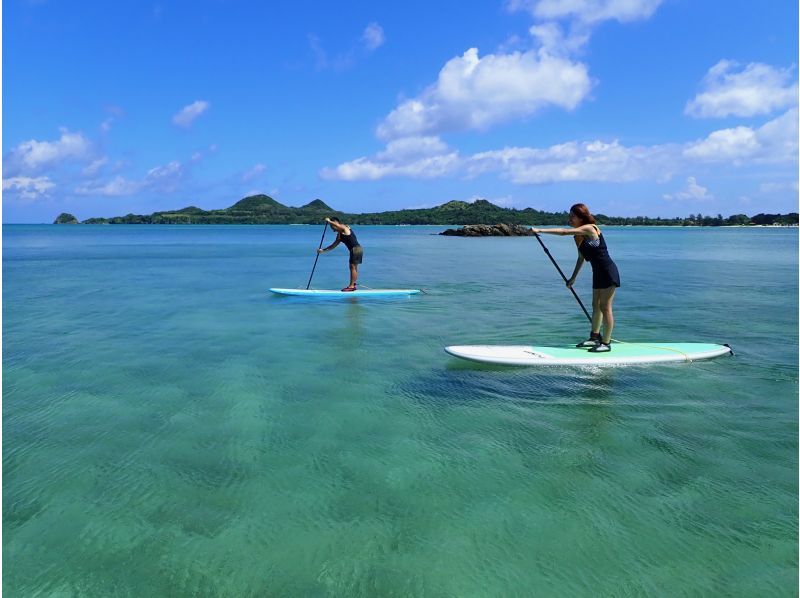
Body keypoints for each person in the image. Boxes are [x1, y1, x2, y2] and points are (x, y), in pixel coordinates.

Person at [532, 203, 620, 352]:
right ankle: (594, 337)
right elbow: (581, 257)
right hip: (597, 272)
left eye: (572, 216)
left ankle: (606, 343)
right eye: (569, 216)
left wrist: (540, 229)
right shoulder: (577, 237)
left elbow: (563, 232)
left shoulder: (590, 228)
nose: (570, 219)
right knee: (595, 306)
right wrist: (573, 278)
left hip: (608, 270)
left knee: (605, 307)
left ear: (581, 217)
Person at [318, 216, 363, 292]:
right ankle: (353, 285)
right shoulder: (340, 235)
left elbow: (339, 225)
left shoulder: (345, 227)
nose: (332, 228)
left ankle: (351, 286)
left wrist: (329, 221)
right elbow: (333, 245)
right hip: (356, 249)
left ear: (335, 224)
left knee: (352, 267)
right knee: (354, 267)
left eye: (332, 226)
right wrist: (323, 250)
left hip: (356, 249)